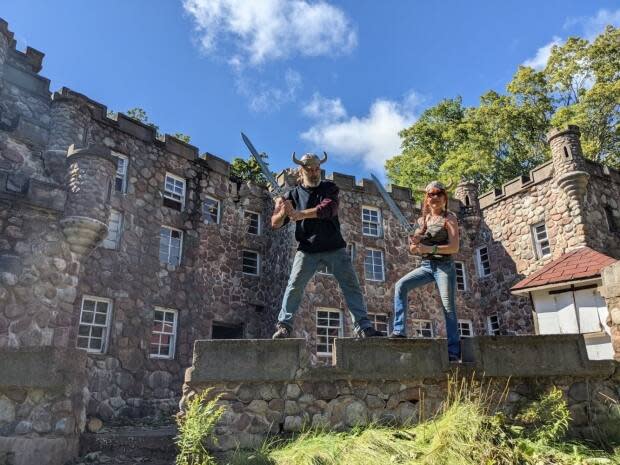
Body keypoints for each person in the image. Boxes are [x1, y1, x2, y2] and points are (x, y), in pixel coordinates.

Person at [270, 152, 383, 339]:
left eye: (317, 168)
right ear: (302, 170)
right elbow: (274, 223)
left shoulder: (330, 188)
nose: (314, 172)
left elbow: (328, 209)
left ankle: (363, 327)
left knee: (351, 285)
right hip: (307, 249)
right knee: (294, 286)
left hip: (334, 247)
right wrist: (283, 211)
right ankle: (284, 326)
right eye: (310, 169)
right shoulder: (292, 195)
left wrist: (300, 214)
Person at [389, 181, 461, 361]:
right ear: (426, 199)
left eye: (438, 194)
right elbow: (413, 249)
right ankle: (399, 330)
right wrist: (415, 243)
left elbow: (454, 247)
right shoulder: (422, 221)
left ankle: (453, 351)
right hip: (426, 267)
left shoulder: (449, 218)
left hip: (444, 266)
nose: (434, 197)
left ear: (444, 197)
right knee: (401, 286)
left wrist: (430, 249)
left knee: (448, 307)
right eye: (430, 194)